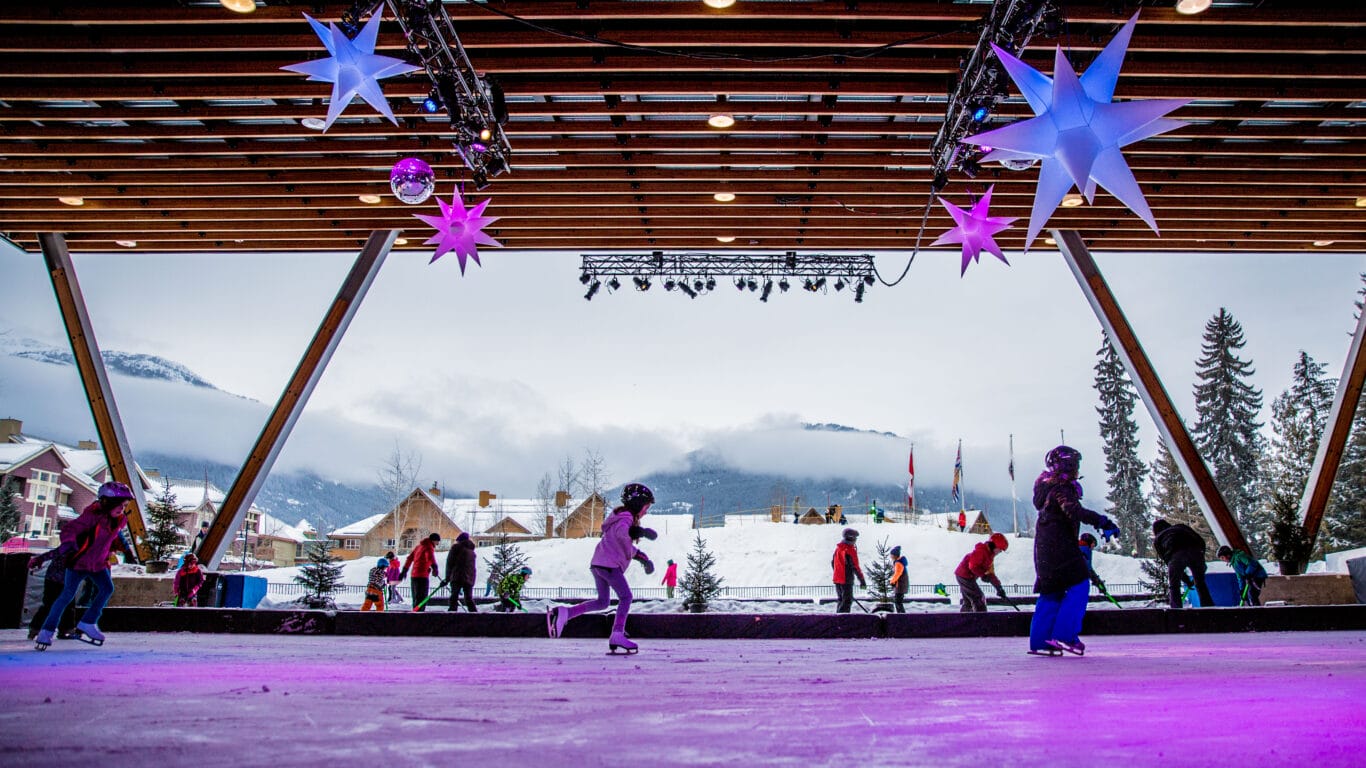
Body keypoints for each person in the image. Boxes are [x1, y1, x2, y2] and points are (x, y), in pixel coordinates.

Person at [1028, 446, 1120, 656]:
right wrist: (1103, 521)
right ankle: (1064, 636)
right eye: (1076, 465)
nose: (1078, 469)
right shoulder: (1061, 488)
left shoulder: (1046, 489)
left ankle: (1042, 642)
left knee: (1051, 592)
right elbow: (1074, 510)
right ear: (1068, 466)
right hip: (1060, 547)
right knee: (1079, 585)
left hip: (1043, 549)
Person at [548, 483, 656, 654]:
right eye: (646, 506)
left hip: (599, 563)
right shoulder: (626, 517)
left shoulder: (620, 516)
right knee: (626, 597)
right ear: (637, 503)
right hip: (609, 565)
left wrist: (643, 558)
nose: (646, 511)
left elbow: (623, 544)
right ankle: (617, 634)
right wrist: (640, 532)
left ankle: (565, 613)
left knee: (602, 602)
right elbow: (623, 534)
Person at [34, 481, 138, 649]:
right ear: (106, 502)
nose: (121, 509)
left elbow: (117, 537)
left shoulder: (117, 520)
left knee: (107, 588)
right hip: (79, 562)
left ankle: (88, 622)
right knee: (66, 596)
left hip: (98, 564)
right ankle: (46, 631)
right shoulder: (91, 516)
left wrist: (127, 552)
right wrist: (68, 542)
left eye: (124, 506)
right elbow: (70, 529)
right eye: (119, 505)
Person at [1152, 519, 1214, 609]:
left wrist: (1186, 580)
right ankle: (1209, 610)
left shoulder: (1158, 538)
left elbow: (1167, 560)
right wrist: (1201, 558)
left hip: (1175, 555)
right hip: (1195, 551)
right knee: (1200, 583)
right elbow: (1200, 540)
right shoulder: (1181, 527)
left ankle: (1176, 613)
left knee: (1174, 586)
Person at [26, 541, 80, 640]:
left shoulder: (76, 547)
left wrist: (39, 559)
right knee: (52, 604)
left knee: (64, 605)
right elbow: (53, 553)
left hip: (61, 579)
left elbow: (52, 554)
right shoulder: (71, 546)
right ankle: (37, 628)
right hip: (56, 579)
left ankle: (64, 629)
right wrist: (39, 560)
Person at [955, 532, 1009, 613]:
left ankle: (965, 619)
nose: (1000, 552)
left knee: (969, 601)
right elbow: (972, 566)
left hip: (968, 577)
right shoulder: (981, 551)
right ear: (993, 546)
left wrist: (998, 587)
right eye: (1000, 549)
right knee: (978, 598)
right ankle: (981, 620)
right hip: (964, 575)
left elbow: (991, 574)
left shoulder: (990, 557)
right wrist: (983, 575)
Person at [400, 533, 440, 612]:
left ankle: (414, 614)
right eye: (437, 542)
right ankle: (419, 617)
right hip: (422, 576)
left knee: (416, 597)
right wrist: (434, 568)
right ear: (434, 540)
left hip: (414, 575)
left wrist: (404, 570)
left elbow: (410, 558)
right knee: (422, 598)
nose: (437, 544)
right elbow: (430, 557)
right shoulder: (429, 547)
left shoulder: (419, 547)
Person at [831, 528, 866, 614]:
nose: (856, 540)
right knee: (847, 602)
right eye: (855, 538)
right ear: (851, 538)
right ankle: (843, 622)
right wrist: (862, 580)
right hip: (846, 580)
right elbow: (855, 566)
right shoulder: (850, 550)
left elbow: (833, 563)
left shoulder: (838, 548)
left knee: (841, 600)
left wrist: (838, 572)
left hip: (837, 579)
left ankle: (837, 621)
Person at [444, 532, 478, 612]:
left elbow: (449, 564)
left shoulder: (455, 549)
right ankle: (475, 616)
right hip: (469, 577)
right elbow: (472, 568)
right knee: (469, 598)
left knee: (454, 597)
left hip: (457, 576)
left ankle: (452, 615)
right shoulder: (472, 551)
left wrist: (447, 578)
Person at [889, 545, 910, 613]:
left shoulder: (898, 563)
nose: (891, 556)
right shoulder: (900, 562)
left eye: (891, 555)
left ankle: (901, 616)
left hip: (900, 585)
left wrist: (892, 581)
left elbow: (897, 574)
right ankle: (901, 615)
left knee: (898, 602)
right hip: (902, 584)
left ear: (895, 555)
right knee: (898, 602)